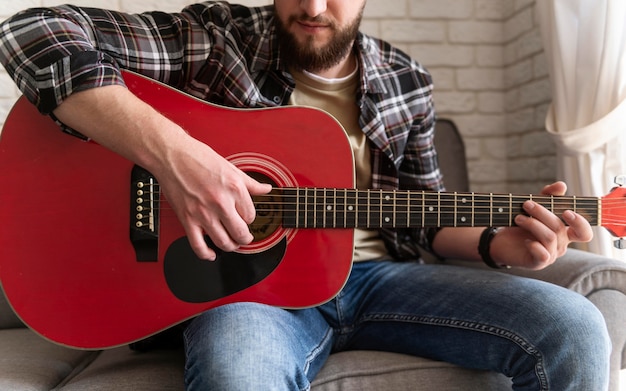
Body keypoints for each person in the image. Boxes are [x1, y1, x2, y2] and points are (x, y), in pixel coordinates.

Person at [0, 1, 610, 390]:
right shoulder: (214, 39)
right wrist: (179, 159)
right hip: (247, 292)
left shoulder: (406, 80)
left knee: (575, 327)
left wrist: (499, 244)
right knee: (237, 374)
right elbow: (30, 32)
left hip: (379, 280)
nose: (314, 7)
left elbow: (426, 212)